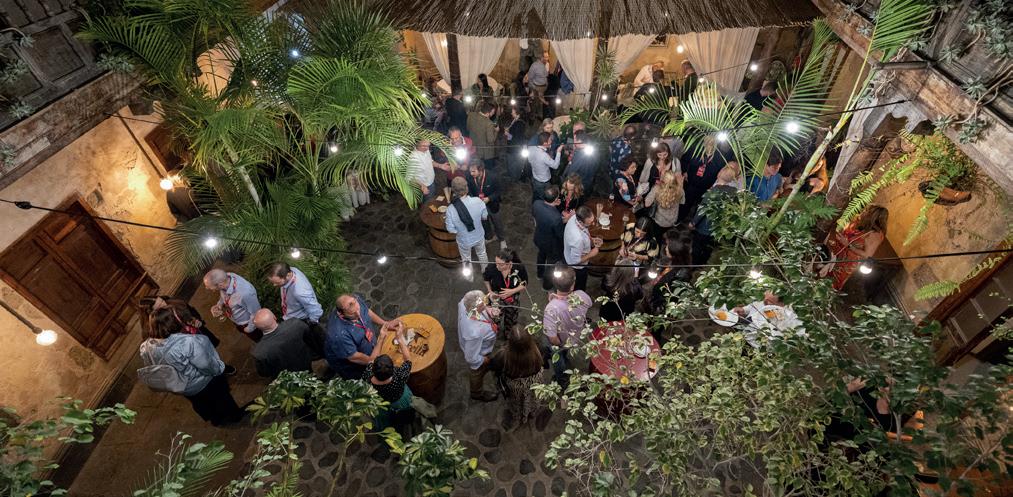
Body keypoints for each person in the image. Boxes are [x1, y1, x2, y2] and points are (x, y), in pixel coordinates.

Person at [142, 306, 245, 426]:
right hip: (203, 382)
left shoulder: (146, 347)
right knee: (222, 398)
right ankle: (235, 416)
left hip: (184, 387)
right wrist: (219, 369)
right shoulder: (187, 343)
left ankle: (216, 420)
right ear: (172, 322)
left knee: (202, 403)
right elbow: (206, 364)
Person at [325, 293, 397, 379]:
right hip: (354, 366)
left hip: (368, 349)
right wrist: (381, 340)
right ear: (341, 314)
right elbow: (357, 358)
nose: (358, 314)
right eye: (353, 313)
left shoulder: (356, 300)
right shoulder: (339, 335)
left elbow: (367, 312)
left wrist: (385, 323)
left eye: (356, 304)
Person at [542, 266, 592, 388]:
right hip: (574, 338)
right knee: (565, 352)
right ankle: (565, 356)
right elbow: (588, 304)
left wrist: (560, 345)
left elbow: (552, 338)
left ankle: (562, 379)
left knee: (558, 359)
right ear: (572, 286)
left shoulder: (551, 308)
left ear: (555, 284)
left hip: (561, 342)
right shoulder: (582, 295)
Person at [363, 322, 415, 430]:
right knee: (405, 416)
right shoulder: (399, 376)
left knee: (386, 421)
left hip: (382, 405)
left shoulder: (367, 375)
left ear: (373, 369)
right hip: (400, 402)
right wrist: (400, 338)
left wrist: (381, 337)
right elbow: (408, 359)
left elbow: (371, 359)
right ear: (393, 369)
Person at [823, 206, 888, 291]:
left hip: (845, 263)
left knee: (829, 283)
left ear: (873, 216)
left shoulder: (875, 235)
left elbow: (867, 255)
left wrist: (848, 245)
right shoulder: (860, 223)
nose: (863, 211)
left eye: (866, 211)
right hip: (835, 251)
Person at [490, 327, 543, 428]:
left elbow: (494, 367)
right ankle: (532, 412)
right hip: (534, 383)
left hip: (516, 387)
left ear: (510, 342)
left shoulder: (502, 356)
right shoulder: (538, 349)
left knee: (517, 402)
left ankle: (518, 416)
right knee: (533, 398)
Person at [690, 163, 741, 265]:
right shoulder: (734, 191)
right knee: (709, 247)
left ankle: (694, 264)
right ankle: (703, 262)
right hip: (718, 227)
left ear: (719, 174)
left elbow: (702, 210)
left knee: (697, 246)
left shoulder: (713, 192)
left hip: (704, 227)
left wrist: (693, 223)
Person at [458, 289, 499, 401]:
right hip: (480, 353)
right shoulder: (474, 333)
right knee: (477, 372)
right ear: (475, 309)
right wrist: (482, 359)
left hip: (480, 343)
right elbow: (470, 358)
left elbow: (479, 305)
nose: (486, 304)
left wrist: (488, 310)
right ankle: (477, 393)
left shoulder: (464, 302)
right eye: (483, 304)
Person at [445, 176, 489, 280]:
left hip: (464, 240)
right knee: (482, 253)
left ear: (453, 191)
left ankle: (470, 277)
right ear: (467, 188)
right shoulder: (478, 201)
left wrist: (460, 230)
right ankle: (486, 273)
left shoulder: (450, 209)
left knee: (466, 259)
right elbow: (484, 217)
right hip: (479, 235)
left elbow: (450, 229)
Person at [250, 308, 313, 379]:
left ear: (258, 328)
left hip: (285, 377)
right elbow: (310, 339)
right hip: (306, 363)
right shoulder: (296, 323)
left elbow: (264, 373)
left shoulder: (259, 352)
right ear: (274, 317)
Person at [202, 269, 262, 342]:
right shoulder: (227, 277)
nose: (207, 288)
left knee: (260, 340)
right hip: (237, 320)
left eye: (209, 287)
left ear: (220, 285)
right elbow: (223, 294)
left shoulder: (245, 294)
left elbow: (256, 313)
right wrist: (219, 304)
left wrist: (249, 328)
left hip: (248, 324)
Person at [680, 135, 725, 221]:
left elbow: (720, 172)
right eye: (707, 142)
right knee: (686, 202)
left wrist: (715, 184)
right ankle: (681, 218)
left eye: (712, 143)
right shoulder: (695, 150)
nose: (709, 144)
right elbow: (684, 160)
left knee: (700, 206)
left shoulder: (719, 157)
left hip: (706, 186)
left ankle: (694, 222)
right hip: (691, 182)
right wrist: (685, 171)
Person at [647, 234, 693, 317]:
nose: (665, 248)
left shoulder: (681, 275)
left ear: (674, 254)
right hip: (656, 294)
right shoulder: (671, 261)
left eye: (668, 248)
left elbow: (671, 296)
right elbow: (660, 264)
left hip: (662, 304)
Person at [483, 251, 528, 333]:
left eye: (500, 264)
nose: (497, 266)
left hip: (513, 298)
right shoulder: (491, 267)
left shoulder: (518, 267)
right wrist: (490, 291)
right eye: (496, 263)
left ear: (509, 263)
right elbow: (486, 279)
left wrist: (512, 291)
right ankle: (495, 333)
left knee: (511, 319)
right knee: (496, 318)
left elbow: (524, 283)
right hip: (496, 297)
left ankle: (509, 334)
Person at [466, 161, 506, 249]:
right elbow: (470, 191)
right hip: (479, 206)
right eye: (470, 171)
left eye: (473, 171)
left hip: (492, 204)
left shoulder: (493, 177)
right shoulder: (470, 177)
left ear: (480, 170)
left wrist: (489, 198)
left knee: (497, 222)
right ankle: (489, 237)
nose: (471, 173)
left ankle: (502, 239)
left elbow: (499, 191)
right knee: (485, 222)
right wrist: (474, 199)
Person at [533, 184, 565, 286]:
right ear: (556, 199)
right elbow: (560, 234)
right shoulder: (556, 218)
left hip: (539, 238)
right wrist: (565, 220)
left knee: (541, 256)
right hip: (551, 245)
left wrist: (554, 205)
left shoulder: (536, 204)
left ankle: (539, 274)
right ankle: (546, 285)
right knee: (551, 265)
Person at [563, 205, 600, 291]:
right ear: (581, 221)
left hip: (569, 252)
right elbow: (575, 261)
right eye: (590, 223)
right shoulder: (578, 239)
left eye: (592, 220)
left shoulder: (574, 217)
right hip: (577, 268)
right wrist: (591, 254)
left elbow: (584, 231)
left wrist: (591, 239)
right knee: (579, 287)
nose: (593, 223)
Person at [644, 170, 685, 239]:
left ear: (663, 179)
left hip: (659, 221)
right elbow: (682, 202)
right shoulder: (680, 190)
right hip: (672, 220)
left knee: (656, 236)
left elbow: (647, 204)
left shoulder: (657, 188)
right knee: (664, 234)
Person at [408, 138, 450, 203]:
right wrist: (421, 185)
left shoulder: (426, 150)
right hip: (422, 187)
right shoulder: (413, 157)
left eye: (428, 145)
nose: (427, 148)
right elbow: (409, 177)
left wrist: (440, 166)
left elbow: (431, 161)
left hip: (431, 183)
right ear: (417, 144)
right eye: (424, 146)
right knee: (425, 204)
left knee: (431, 201)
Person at [527, 131, 562, 201]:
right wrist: (559, 152)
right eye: (550, 140)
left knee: (536, 194)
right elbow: (555, 166)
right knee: (543, 197)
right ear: (545, 143)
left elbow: (529, 160)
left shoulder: (531, 148)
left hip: (534, 178)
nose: (551, 141)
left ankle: (535, 202)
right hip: (543, 182)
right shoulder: (544, 155)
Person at [468, 102, 498, 169]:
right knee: (487, 170)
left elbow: (468, 128)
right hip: (486, 153)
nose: (493, 113)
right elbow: (491, 140)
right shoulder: (489, 123)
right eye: (493, 112)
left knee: (475, 169)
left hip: (473, 149)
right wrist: (496, 131)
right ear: (488, 112)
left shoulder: (471, 115)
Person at [504, 106, 528, 181]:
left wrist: (507, 134)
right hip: (515, 146)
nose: (511, 113)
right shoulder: (515, 121)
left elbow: (516, 138)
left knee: (513, 162)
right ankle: (514, 176)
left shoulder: (519, 123)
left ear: (518, 114)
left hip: (514, 147)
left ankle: (514, 178)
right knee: (514, 162)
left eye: (513, 112)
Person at [524, 50, 550, 119]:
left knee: (540, 103)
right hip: (536, 87)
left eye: (547, 57)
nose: (547, 58)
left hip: (543, 87)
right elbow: (530, 78)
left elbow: (546, 76)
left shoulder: (547, 64)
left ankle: (539, 116)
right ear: (541, 57)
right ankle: (532, 117)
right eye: (545, 57)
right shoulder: (534, 65)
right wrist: (533, 88)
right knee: (534, 103)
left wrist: (546, 84)